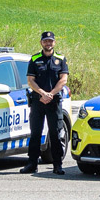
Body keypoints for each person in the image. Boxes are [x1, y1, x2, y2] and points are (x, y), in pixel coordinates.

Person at [20, 31, 69, 175]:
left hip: (54, 102)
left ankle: (57, 165)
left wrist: (51, 94)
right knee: (35, 133)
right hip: (38, 101)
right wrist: (42, 93)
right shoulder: (34, 59)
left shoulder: (61, 59)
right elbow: (30, 81)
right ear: (41, 42)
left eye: (50, 41)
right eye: (45, 41)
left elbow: (63, 80)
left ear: (54, 42)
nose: (48, 43)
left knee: (55, 133)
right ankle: (32, 163)